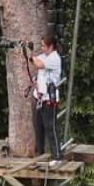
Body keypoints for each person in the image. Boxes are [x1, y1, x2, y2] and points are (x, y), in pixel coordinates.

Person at [30, 34, 62, 166]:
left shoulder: (54, 58)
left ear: (51, 46)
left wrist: (30, 55)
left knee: (50, 128)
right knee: (38, 128)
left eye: (44, 45)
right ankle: (39, 154)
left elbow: (38, 64)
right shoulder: (44, 56)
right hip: (39, 98)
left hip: (49, 99)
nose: (42, 48)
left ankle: (56, 157)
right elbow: (34, 61)